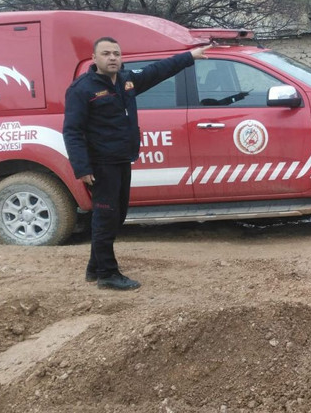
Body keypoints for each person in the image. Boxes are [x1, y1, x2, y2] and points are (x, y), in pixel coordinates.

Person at [63, 37, 212, 290]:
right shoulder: (82, 89)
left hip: (122, 158)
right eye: (107, 54)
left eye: (116, 54)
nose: (112, 58)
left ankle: (94, 267)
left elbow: (158, 71)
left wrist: (190, 57)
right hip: (101, 163)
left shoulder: (126, 81)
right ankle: (108, 273)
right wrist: (83, 168)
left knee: (116, 215)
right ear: (95, 58)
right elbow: (72, 131)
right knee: (106, 217)